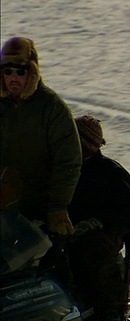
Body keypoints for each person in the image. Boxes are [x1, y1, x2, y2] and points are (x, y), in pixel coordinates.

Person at [66, 114, 130, 321]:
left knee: (92, 248)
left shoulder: (111, 172)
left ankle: (111, 312)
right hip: (67, 227)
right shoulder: (66, 169)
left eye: (78, 140)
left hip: (105, 235)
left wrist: (99, 223)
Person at [0, 37, 81, 236]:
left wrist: (57, 208)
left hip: (39, 212)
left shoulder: (51, 107)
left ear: (32, 71)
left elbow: (68, 161)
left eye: (20, 71)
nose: (13, 78)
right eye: (7, 71)